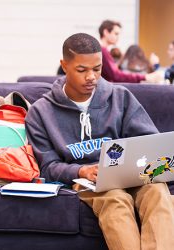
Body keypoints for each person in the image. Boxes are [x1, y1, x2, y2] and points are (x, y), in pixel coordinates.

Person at [25, 33, 174, 250]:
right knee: (114, 199)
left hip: (132, 174)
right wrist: (81, 171)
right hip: (87, 181)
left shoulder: (120, 97)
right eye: (82, 70)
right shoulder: (41, 112)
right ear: (64, 66)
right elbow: (47, 166)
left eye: (97, 68)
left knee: (158, 191)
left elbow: (149, 142)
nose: (92, 77)